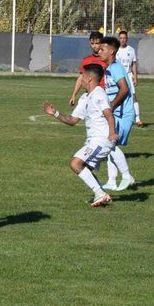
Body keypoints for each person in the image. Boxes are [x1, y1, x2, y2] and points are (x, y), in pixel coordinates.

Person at [44, 64, 118, 207]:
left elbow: (109, 114)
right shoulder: (85, 97)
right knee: (85, 169)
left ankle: (100, 194)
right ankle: (102, 195)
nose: (80, 79)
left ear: (89, 78)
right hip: (93, 140)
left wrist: (112, 133)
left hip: (102, 139)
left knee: (75, 163)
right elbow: (72, 121)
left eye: (82, 76)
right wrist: (55, 113)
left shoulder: (99, 93)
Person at [99, 36, 137, 191]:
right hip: (117, 113)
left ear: (111, 51)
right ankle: (112, 181)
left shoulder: (115, 67)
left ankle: (127, 176)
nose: (99, 51)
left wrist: (112, 106)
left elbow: (124, 89)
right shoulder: (109, 68)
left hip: (122, 114)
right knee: (110, 146)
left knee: (109, 143)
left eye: (103, 49)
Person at [69, 31, 106, 106]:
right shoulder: (86, 60)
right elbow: (81, 78)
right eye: (92, 44)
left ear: (101, 43)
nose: (94, 46)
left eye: (97, 43)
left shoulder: (107, 59)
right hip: (90, 95)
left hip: (104, 95)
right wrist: (74, 95)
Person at [117, 30, 143, 127]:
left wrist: (135, 77)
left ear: (127, 39)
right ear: (118, 39)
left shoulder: (131, 50)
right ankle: (118, 117)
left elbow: (133, 64)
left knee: (133, 96)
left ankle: (138, 119)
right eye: (121, 38)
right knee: (118, 97)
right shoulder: (115, 50)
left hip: (128, 76)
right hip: (118, 76)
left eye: (124, 38)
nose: (123, 40)